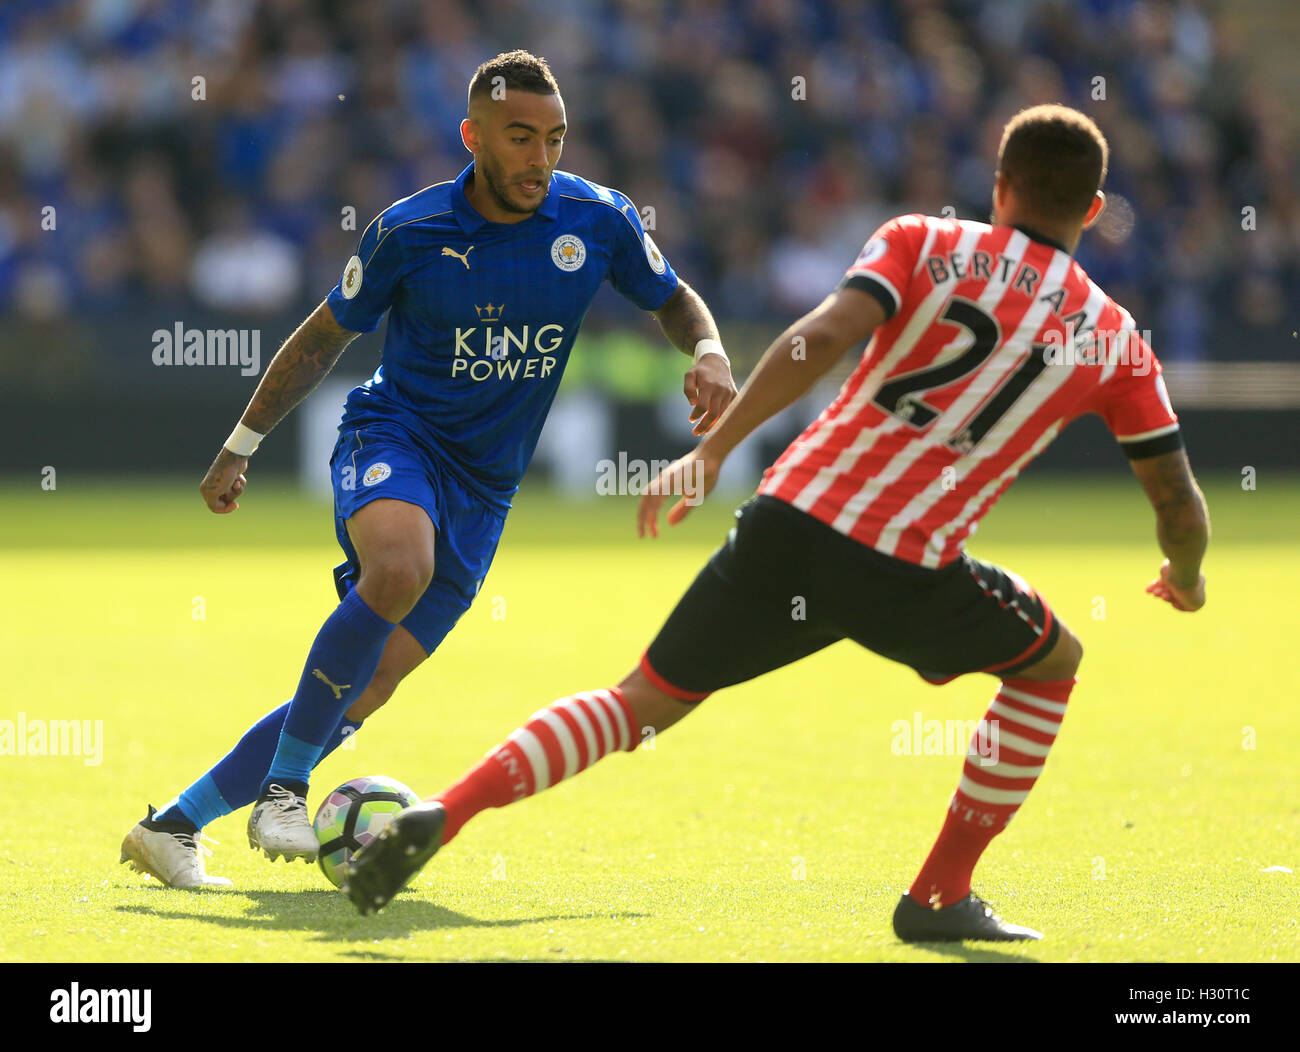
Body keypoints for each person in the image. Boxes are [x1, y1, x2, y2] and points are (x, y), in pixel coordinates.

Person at [342, 104, 1210, 942]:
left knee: (638, 702)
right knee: (1051, 662)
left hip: (790, 520)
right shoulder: (1112, 337)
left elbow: (822, 335)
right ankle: (942, 893)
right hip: (910, 567)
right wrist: (1187, 573)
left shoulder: (924, 241)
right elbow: (1175, 499)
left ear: (1000, 185)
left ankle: (443, 812)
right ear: (1093, 209)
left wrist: (718, 449)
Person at [119, 50, 737, 888]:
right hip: (395, 437)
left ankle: (174, 827)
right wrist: (241, 444)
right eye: (520, 138)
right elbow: (319, 339)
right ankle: (285, 792)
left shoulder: (596, 220)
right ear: (473, 136)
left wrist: (706, 349)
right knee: (400, 566)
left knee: (364, 690)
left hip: (485, 491)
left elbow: (672, 296)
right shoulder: (410, 233)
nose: (540, 159)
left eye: (554, 139)